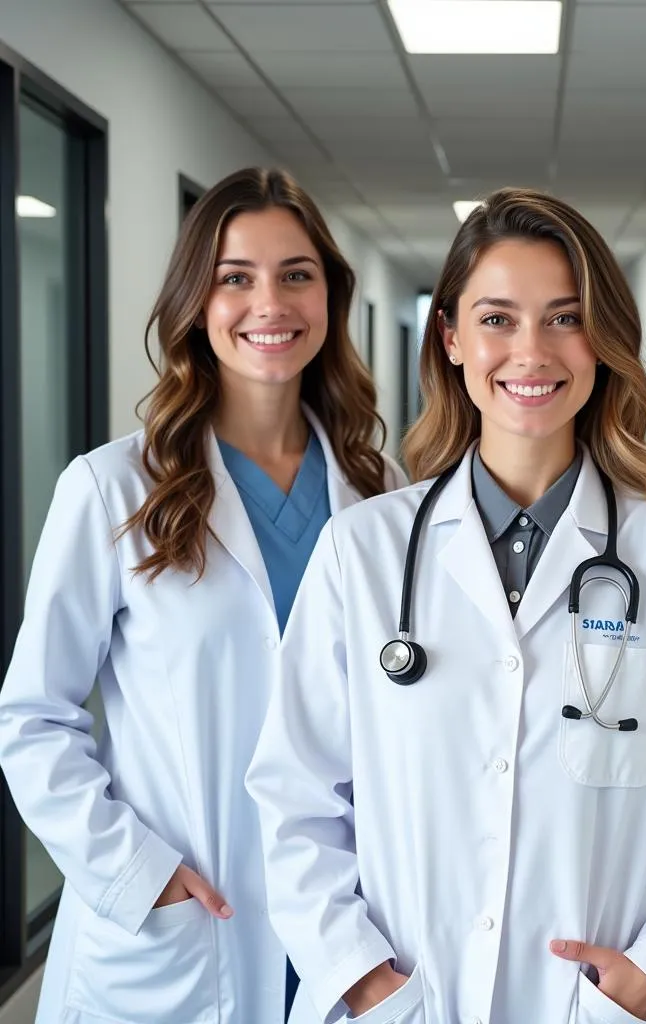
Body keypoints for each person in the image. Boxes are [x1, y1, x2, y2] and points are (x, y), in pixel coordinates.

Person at [245, 187, 646, 1024]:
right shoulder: (364, 549)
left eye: (565, 318)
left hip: (599, 1003)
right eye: (497, 319)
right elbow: (296, 800)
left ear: (603, 343)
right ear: (451, 338)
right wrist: (362, 976)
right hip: (406, 996)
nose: (531, 351)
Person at [0, 167, 406, 1024]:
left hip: (351, 920)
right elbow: (34, 718)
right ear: (197, 299)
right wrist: (136, 873)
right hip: (192, 919)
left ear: (329, 295)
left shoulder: (382, 492)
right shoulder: (113, 490)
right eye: (236, 277)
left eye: (297, 274)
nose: (271, 302)